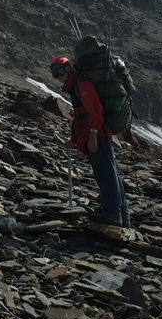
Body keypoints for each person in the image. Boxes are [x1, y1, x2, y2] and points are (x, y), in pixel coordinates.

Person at [50, 55, 130, 227]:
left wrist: (93, 133)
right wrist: (75, 139)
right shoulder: (76, 85)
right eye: (55, 74)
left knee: (106, 174)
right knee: (110, 172)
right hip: (96, 134)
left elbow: (94, 111)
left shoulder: (82, 84)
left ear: (69, 68)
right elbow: (81, 117)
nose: (58, 75)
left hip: (98, 135)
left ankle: (112, 214)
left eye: (60, 70)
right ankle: (123, 215)